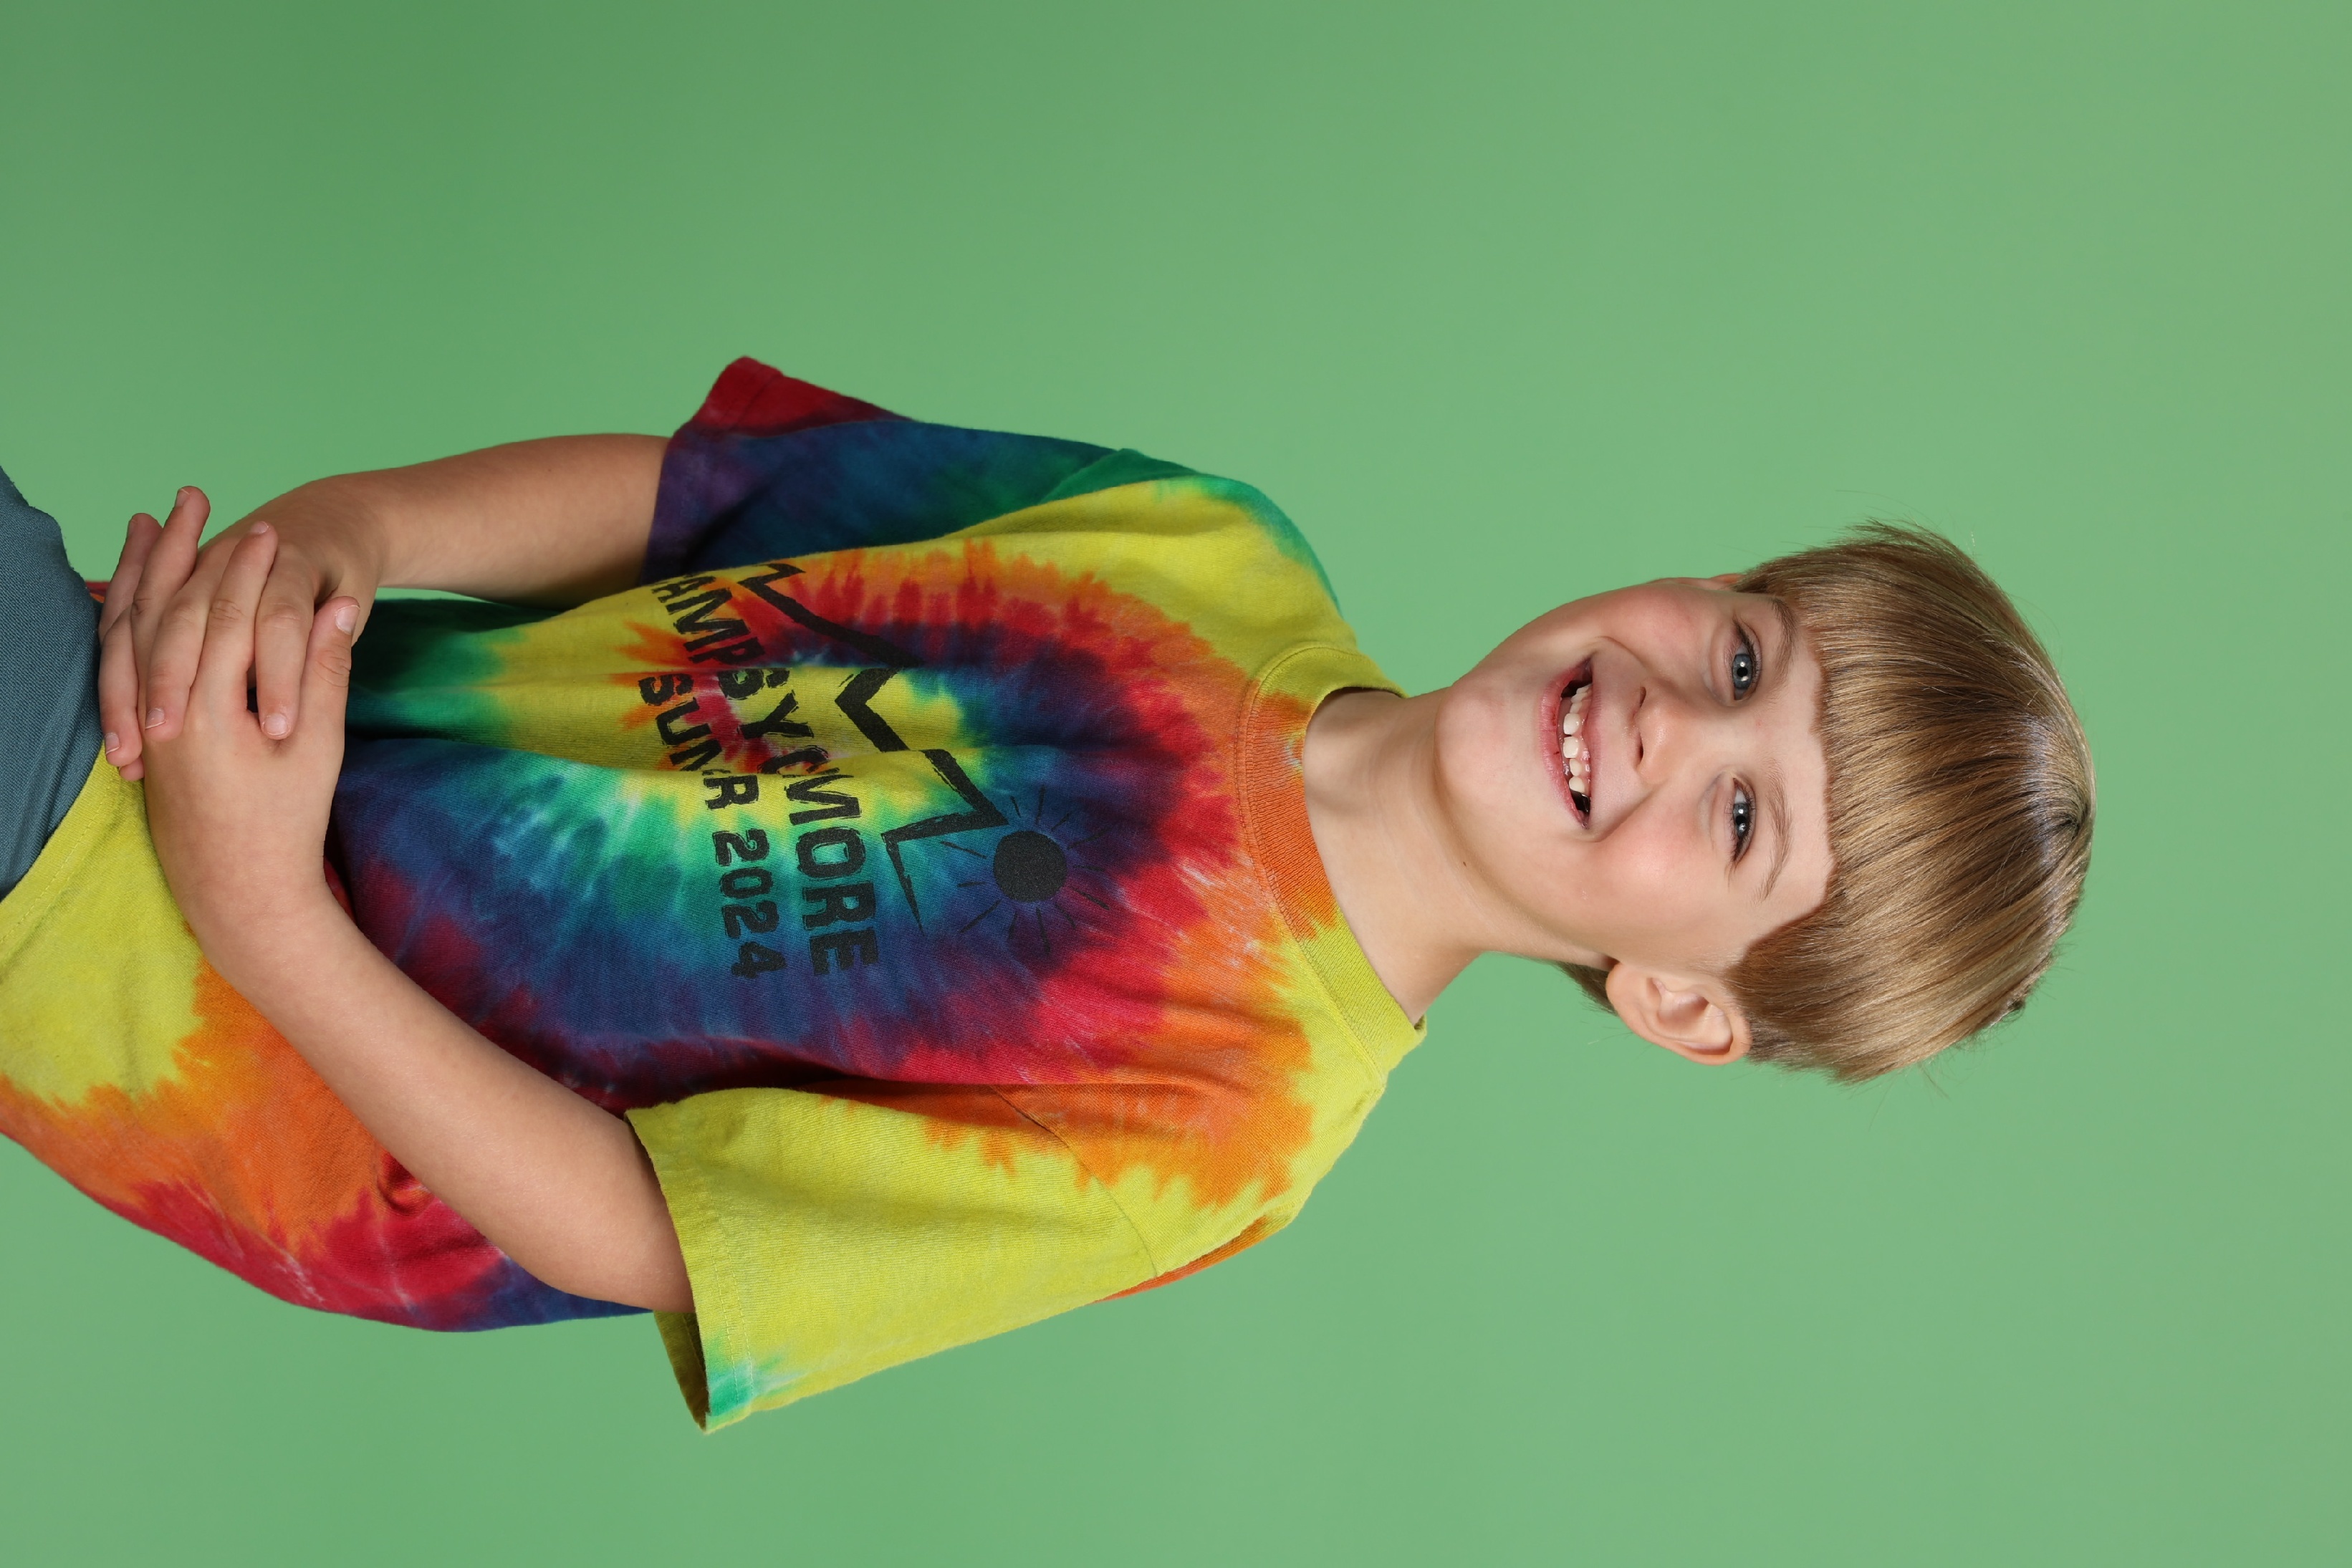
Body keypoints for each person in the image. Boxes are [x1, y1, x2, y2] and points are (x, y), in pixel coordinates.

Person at [0, 360, 2093, 1429]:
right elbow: (684, 501)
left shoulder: (1229, 1128)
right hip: (171, 700)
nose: (1666, 721)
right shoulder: (1215, 547)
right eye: (1741, 655)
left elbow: (644, 1228)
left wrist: (264, 913)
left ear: (1680, 1001)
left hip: (182, 991)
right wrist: (342, 541)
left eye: (1738, 823)